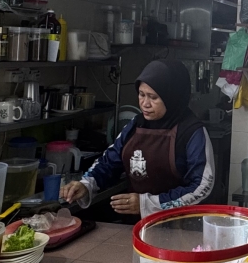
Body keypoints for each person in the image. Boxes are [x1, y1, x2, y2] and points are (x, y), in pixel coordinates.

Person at [60, 59, 214, 218]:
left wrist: (148, 204)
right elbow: (110, 161)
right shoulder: (136, 125)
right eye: (141, 94)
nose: (145, 104)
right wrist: (86, 185)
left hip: (180, 224)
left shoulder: (192, 131)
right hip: (139, 224)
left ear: (172, 97)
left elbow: (201, 186)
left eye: (153, 97)